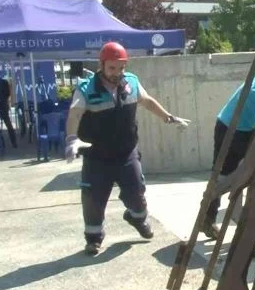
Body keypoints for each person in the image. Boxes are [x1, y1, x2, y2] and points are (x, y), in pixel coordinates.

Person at [64, 42, 191, 255]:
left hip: (126, 153)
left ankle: (137, 218)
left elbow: (147, 101)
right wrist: (71, 138)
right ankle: (94, 238)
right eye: (112, 68)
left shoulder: (131, 82)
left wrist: (168, 117)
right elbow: (75, 113)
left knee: (137, 193)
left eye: (121, 68)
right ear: (102, 65)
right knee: (93, 199)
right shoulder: (86, 88)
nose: (117, 73)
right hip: (97, 157)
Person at [201, 71, 255, 239]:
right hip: (239, 129)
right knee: (252, 173)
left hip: (225, 121)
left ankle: (207, 216)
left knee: (222, 173)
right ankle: (245, 230)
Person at [0, 73, 17, 148]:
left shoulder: (3, 82)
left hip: (2, 105)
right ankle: (0, 143)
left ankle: (13, 142)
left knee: (8, 124)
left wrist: (3, 100)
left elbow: (8, 93)